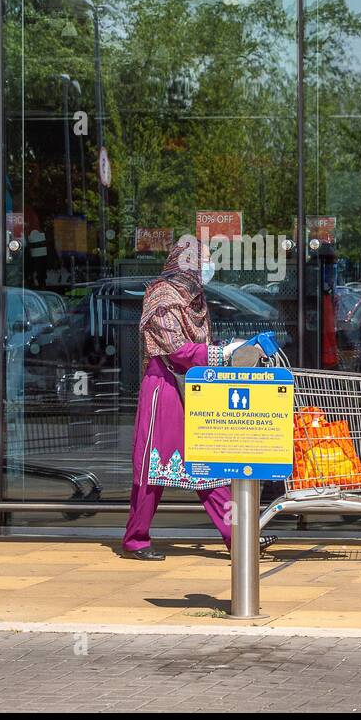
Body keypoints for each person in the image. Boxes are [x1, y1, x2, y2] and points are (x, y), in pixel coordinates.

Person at [121, 235, 272, 561]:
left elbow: (197, 350)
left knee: (209, 467)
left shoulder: (195, 297)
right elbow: (178, 352)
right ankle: (136, 539)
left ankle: (241, 536)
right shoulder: (161, 297)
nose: (207, 266)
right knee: (152, 469)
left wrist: (228, 350)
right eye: (201, 259)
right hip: (165, 390)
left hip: (195, 388)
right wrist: (226, 352)